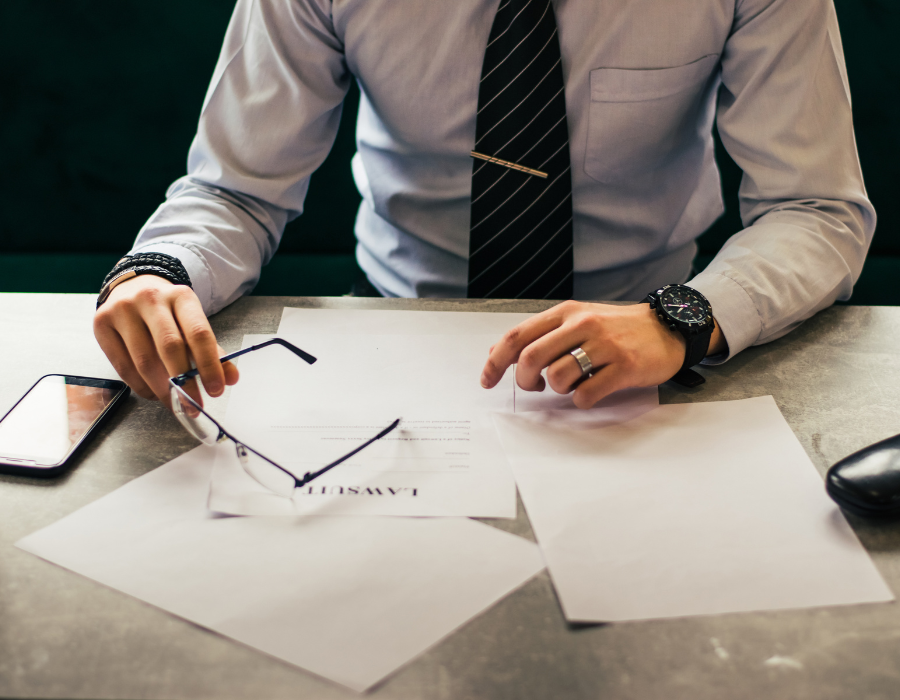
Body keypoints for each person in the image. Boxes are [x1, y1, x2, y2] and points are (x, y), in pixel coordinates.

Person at [93, 0, 873, 410]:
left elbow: (814, 206)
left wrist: (680, 319)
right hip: (393, 335)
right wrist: (161, 268)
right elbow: (236, 187)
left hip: (652, 350)